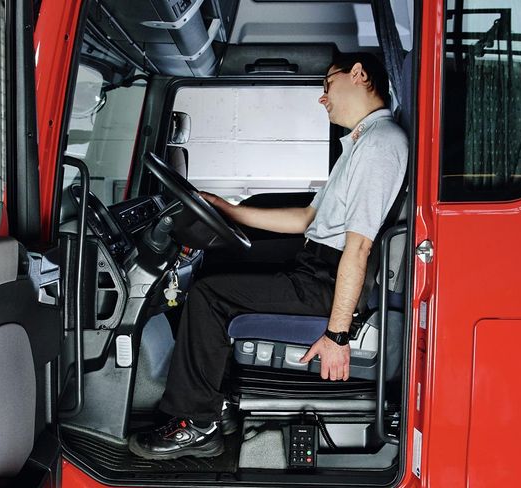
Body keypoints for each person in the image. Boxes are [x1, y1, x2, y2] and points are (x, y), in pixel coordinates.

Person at [129, 52, 408, 460]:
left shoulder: (381, 145)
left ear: (359, 75)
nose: (322, 98)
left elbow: (360, 246)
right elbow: (307, 219)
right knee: (218, 265)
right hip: (318, 266)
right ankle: (212, 401)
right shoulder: (361, 144)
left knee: (208, 295)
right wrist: (229, 209)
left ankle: (197, 424)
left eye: (326, 85)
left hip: (325, 282)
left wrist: (336, 335)